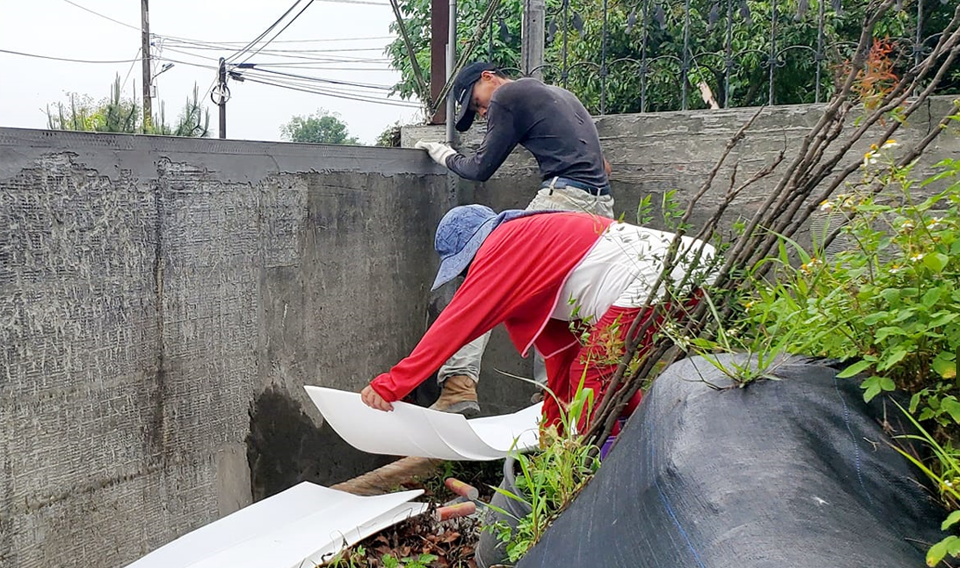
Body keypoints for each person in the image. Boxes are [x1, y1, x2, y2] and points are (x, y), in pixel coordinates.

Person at [360, 205, 717, 431]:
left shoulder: (503, 246)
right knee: (599, 379)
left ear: (474, 251)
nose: (468, 276)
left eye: (465, 269)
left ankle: (584, 479)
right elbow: (562, 360)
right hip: (692, 271)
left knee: (593, 379)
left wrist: (391, 385)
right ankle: (626, 445)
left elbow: (453, 326)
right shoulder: (537, 253)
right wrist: (551, 432)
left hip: (659, 278)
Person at [413, 61, 616, 416]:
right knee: (562, 301)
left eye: (476, 104)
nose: (481, 113)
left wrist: (445, 155)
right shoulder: (564, 96)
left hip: (563, 199)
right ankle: (555, 400)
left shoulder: (508, 93)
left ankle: (458, 386)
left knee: (491, 281)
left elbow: (480, 169)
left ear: (488, 78)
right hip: (602, 209)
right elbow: (604, 166)